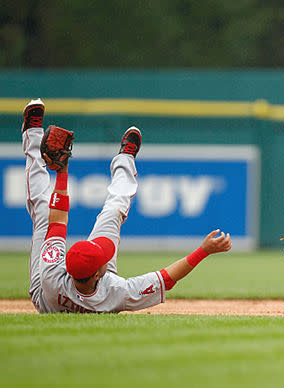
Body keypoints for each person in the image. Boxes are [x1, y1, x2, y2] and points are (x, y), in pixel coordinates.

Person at [21, 98, 232, 313]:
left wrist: (62, 172)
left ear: (65, 267)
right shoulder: (116, 292)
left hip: (44, 297)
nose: (107, 256)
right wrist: (204, 251)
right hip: (89, 291)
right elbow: (165, 279)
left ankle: (31, 133)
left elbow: (57, 221)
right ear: (97, 274)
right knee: (114, 210)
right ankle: (125, 158)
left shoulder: (51, 274)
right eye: (103, 258)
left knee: (42, 209)